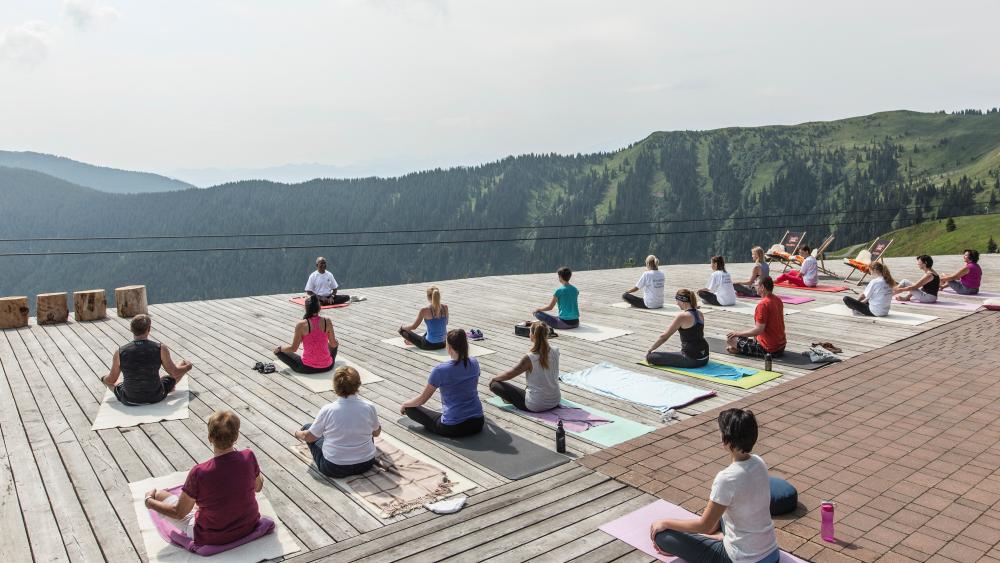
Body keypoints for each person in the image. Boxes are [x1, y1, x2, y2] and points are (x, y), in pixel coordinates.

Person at [649, 408, 779, 563]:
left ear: (725, 439)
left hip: (739, 560)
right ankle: (722, 537)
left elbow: (704, 526)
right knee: (723, 513)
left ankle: (717, 539)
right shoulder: (759, 462)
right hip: (772, 555)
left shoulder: (726, 478)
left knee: (662, 535)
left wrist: (665, 522)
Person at [144, 411, 264, 546]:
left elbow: (178, 513)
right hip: (248, 526)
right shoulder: (248, 456)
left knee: (160, 495)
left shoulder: (199, 472)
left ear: (209, 437)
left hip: (212, 535)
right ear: (236, 436)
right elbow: (258, 487)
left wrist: (149, 502)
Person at [294, 366, 381, 478]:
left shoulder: (328, 409)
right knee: (368, 431)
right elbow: (376, 433)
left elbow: (310, 437)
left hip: (334, 468)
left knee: (308, 427)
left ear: (335, 386)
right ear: (358, 384)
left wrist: (297, 433)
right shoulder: (369, 407)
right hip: (366, 463)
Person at [400, 329, 484, 437]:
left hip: (454, 427)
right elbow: (473, 388)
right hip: (478, 422)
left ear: (448, 347)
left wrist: (404, 404)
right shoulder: (474, 362)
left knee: (410, 409)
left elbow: (422, 400)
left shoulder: (440, 370)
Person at [102, 314, 193, 405]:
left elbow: (112, 380)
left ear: (131, 329)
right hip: (155, 396)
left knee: (110, 382)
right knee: (176, 371)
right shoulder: (160, 348)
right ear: (148, 329)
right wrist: (188, 366)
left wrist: (103, 379)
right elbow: (175, 373)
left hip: (130, 398)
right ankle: (168, 383)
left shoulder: (119, 352)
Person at [489, 321, 561, 412]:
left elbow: (510, 374)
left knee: (494, 385)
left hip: (536, 405)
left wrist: (494, 378)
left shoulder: (530, 357)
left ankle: (509, 399)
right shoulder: (556, 351)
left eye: (530, 332)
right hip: (555, 400)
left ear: (532, 335)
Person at [273, 295, 339, 374]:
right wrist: (335, 343)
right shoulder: (327, 321)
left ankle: (278, 350)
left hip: (306, 368)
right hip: (327, 367)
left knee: (278, 351)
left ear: (306, 308)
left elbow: (293, 348)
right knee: (334, 343)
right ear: (319, 307)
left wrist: (280, 348)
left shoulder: (301, 325)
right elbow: (333, 344)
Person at [646, 289, 710, 369]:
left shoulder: (682, 316)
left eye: (677, 301)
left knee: (651, 357)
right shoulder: (699, 313)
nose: (677, 303)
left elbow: (664, 337)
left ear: (682, 301)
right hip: (705, 357)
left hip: (692, 359)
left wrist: (651, 349)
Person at [726, 277, 785, 358]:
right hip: (781, 346)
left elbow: (758, 330)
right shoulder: (777, 300)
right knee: (742, 336)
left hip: (769, 349)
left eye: (756, 285)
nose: (754, 287)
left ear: (762, 287)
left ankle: (740, 349)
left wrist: (737, 333)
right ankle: (740, 349)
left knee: (731, 339)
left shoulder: (763, 305)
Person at [399, 286, 449, 351]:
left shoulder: (424, 310)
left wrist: (402, 327)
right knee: (431, 329)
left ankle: (414, 342)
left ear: (428, 297)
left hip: (429, 345)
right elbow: (446, 323)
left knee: (402, 331)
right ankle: (413, 342)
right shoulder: (445, 307)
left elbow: (414, 327)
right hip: (443, 343)